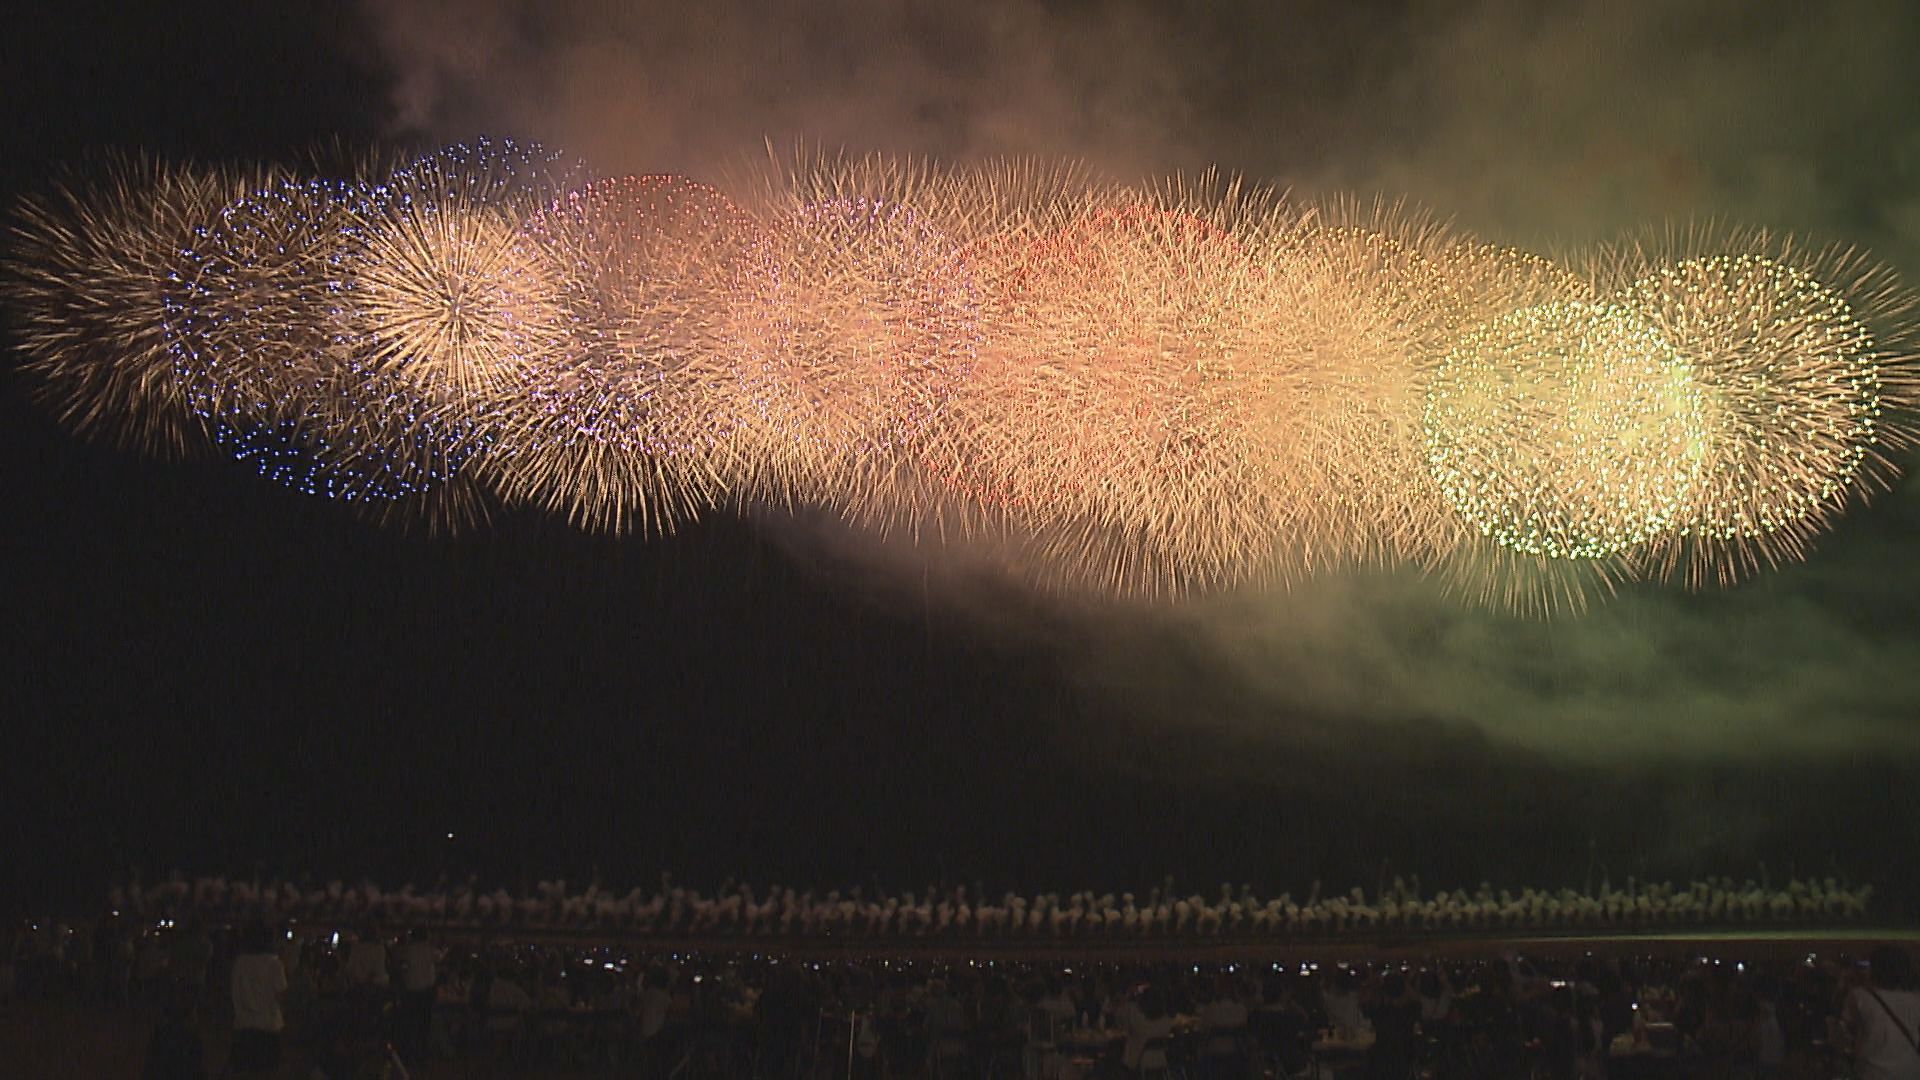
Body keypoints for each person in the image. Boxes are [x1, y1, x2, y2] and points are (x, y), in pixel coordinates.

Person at [1843, 946, 1920, 1080]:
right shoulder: (1916, 998)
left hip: (1872, 1071)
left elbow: (1849, 1026)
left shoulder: (1859, 996)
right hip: (1911, 1070)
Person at [228, 924, 288, 1077]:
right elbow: (281, 995)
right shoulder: (274, 963)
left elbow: (235, 990)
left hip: (244, 1023)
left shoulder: (240, 962)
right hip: (268, 1025)